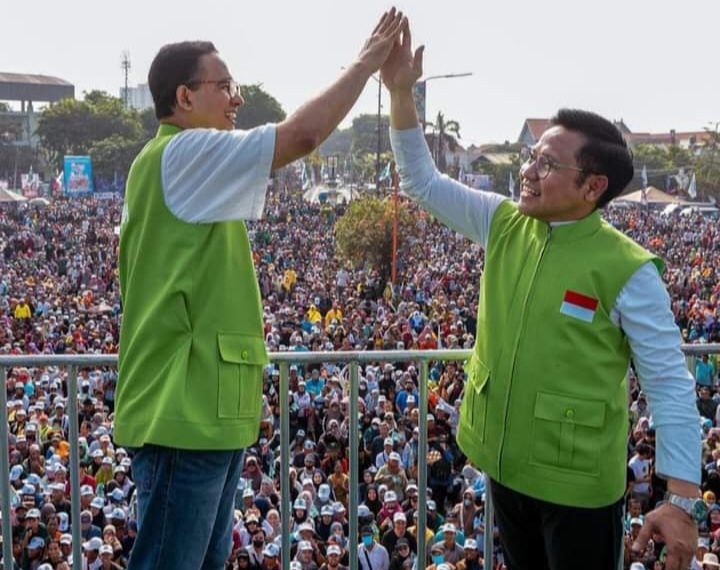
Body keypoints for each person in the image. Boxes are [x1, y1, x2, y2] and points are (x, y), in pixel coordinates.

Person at [381, 20, 701, 570]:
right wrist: (401, 93)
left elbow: (669, 383)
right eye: (532, 156)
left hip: (579, 490)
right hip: (503, 467)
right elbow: (421, 181)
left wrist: (682, 499)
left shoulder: (629, 270)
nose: (527, 171)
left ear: (593, 186)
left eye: (547, 164)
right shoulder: (502, 222)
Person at [115, 9, 407, 570]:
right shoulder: (182, 153)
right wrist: (365, 64)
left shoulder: (177, 162)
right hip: (183, 409)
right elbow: (302, 135)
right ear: (184, 96)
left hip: (205, 408)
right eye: (224, 86)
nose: (237, 98)